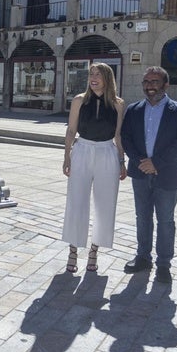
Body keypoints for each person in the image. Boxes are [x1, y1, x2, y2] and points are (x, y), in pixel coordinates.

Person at [121, 66, 177, 283]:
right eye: (146, 82)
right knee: (142, 218)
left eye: (154, 82)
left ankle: (164, 265)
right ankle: (143, 257)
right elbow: (126, 139)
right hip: (141, 174)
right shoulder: (133, 110)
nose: (149, 86)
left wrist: (156, 163)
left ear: (165, 85)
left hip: (167, 175)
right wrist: (141, 162)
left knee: (165, 221)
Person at [61, 63, 126, 273]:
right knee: (76, 201)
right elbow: (71, 130)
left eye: (98, 74)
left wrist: (122, 162)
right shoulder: (79, 100)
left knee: (105, 203)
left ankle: (94, 251)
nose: (93, 77)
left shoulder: (118, 104)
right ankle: (73, 250)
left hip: (107, 152)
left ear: (108, 78)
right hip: (82, 151)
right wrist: (67, 157)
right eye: (91, 74)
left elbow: (118, 135)